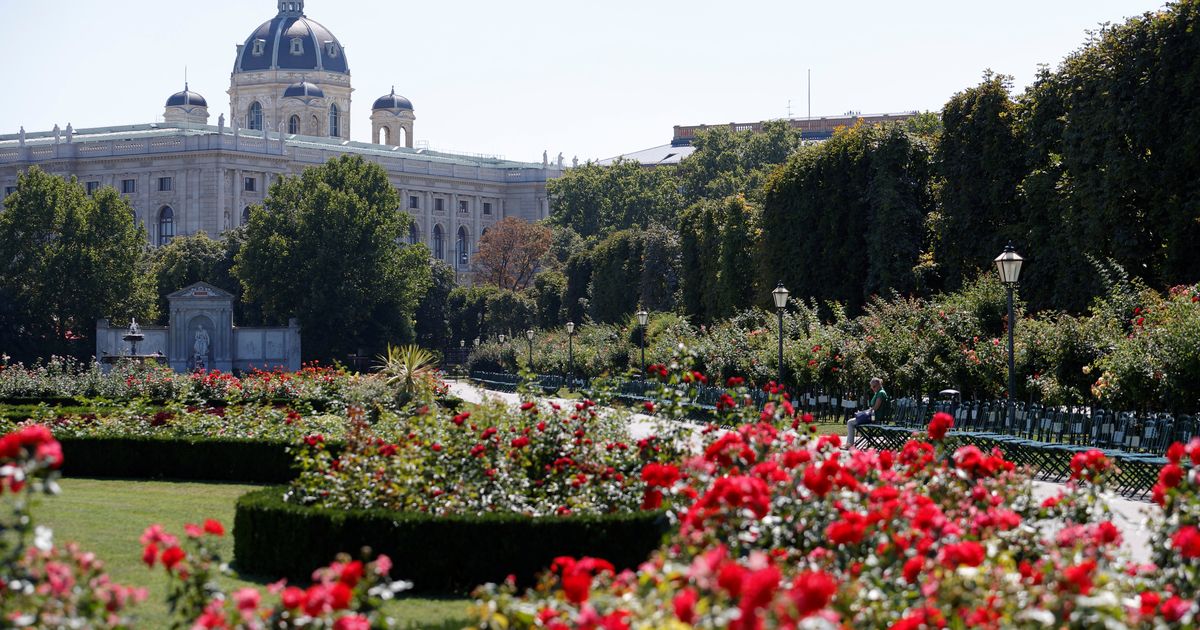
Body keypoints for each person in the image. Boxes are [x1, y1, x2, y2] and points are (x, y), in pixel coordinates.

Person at [846, 377, 889, 448]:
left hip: (874, 418)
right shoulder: (878, 392)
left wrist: (865, 412)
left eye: (874, 386)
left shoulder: (881, 393)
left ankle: (849, 445)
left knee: (850, 422)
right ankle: (849, 444)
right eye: (872, 387)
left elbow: (875, 408)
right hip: (873, 416)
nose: (873, 388)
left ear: (879, 384)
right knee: (854, 419)